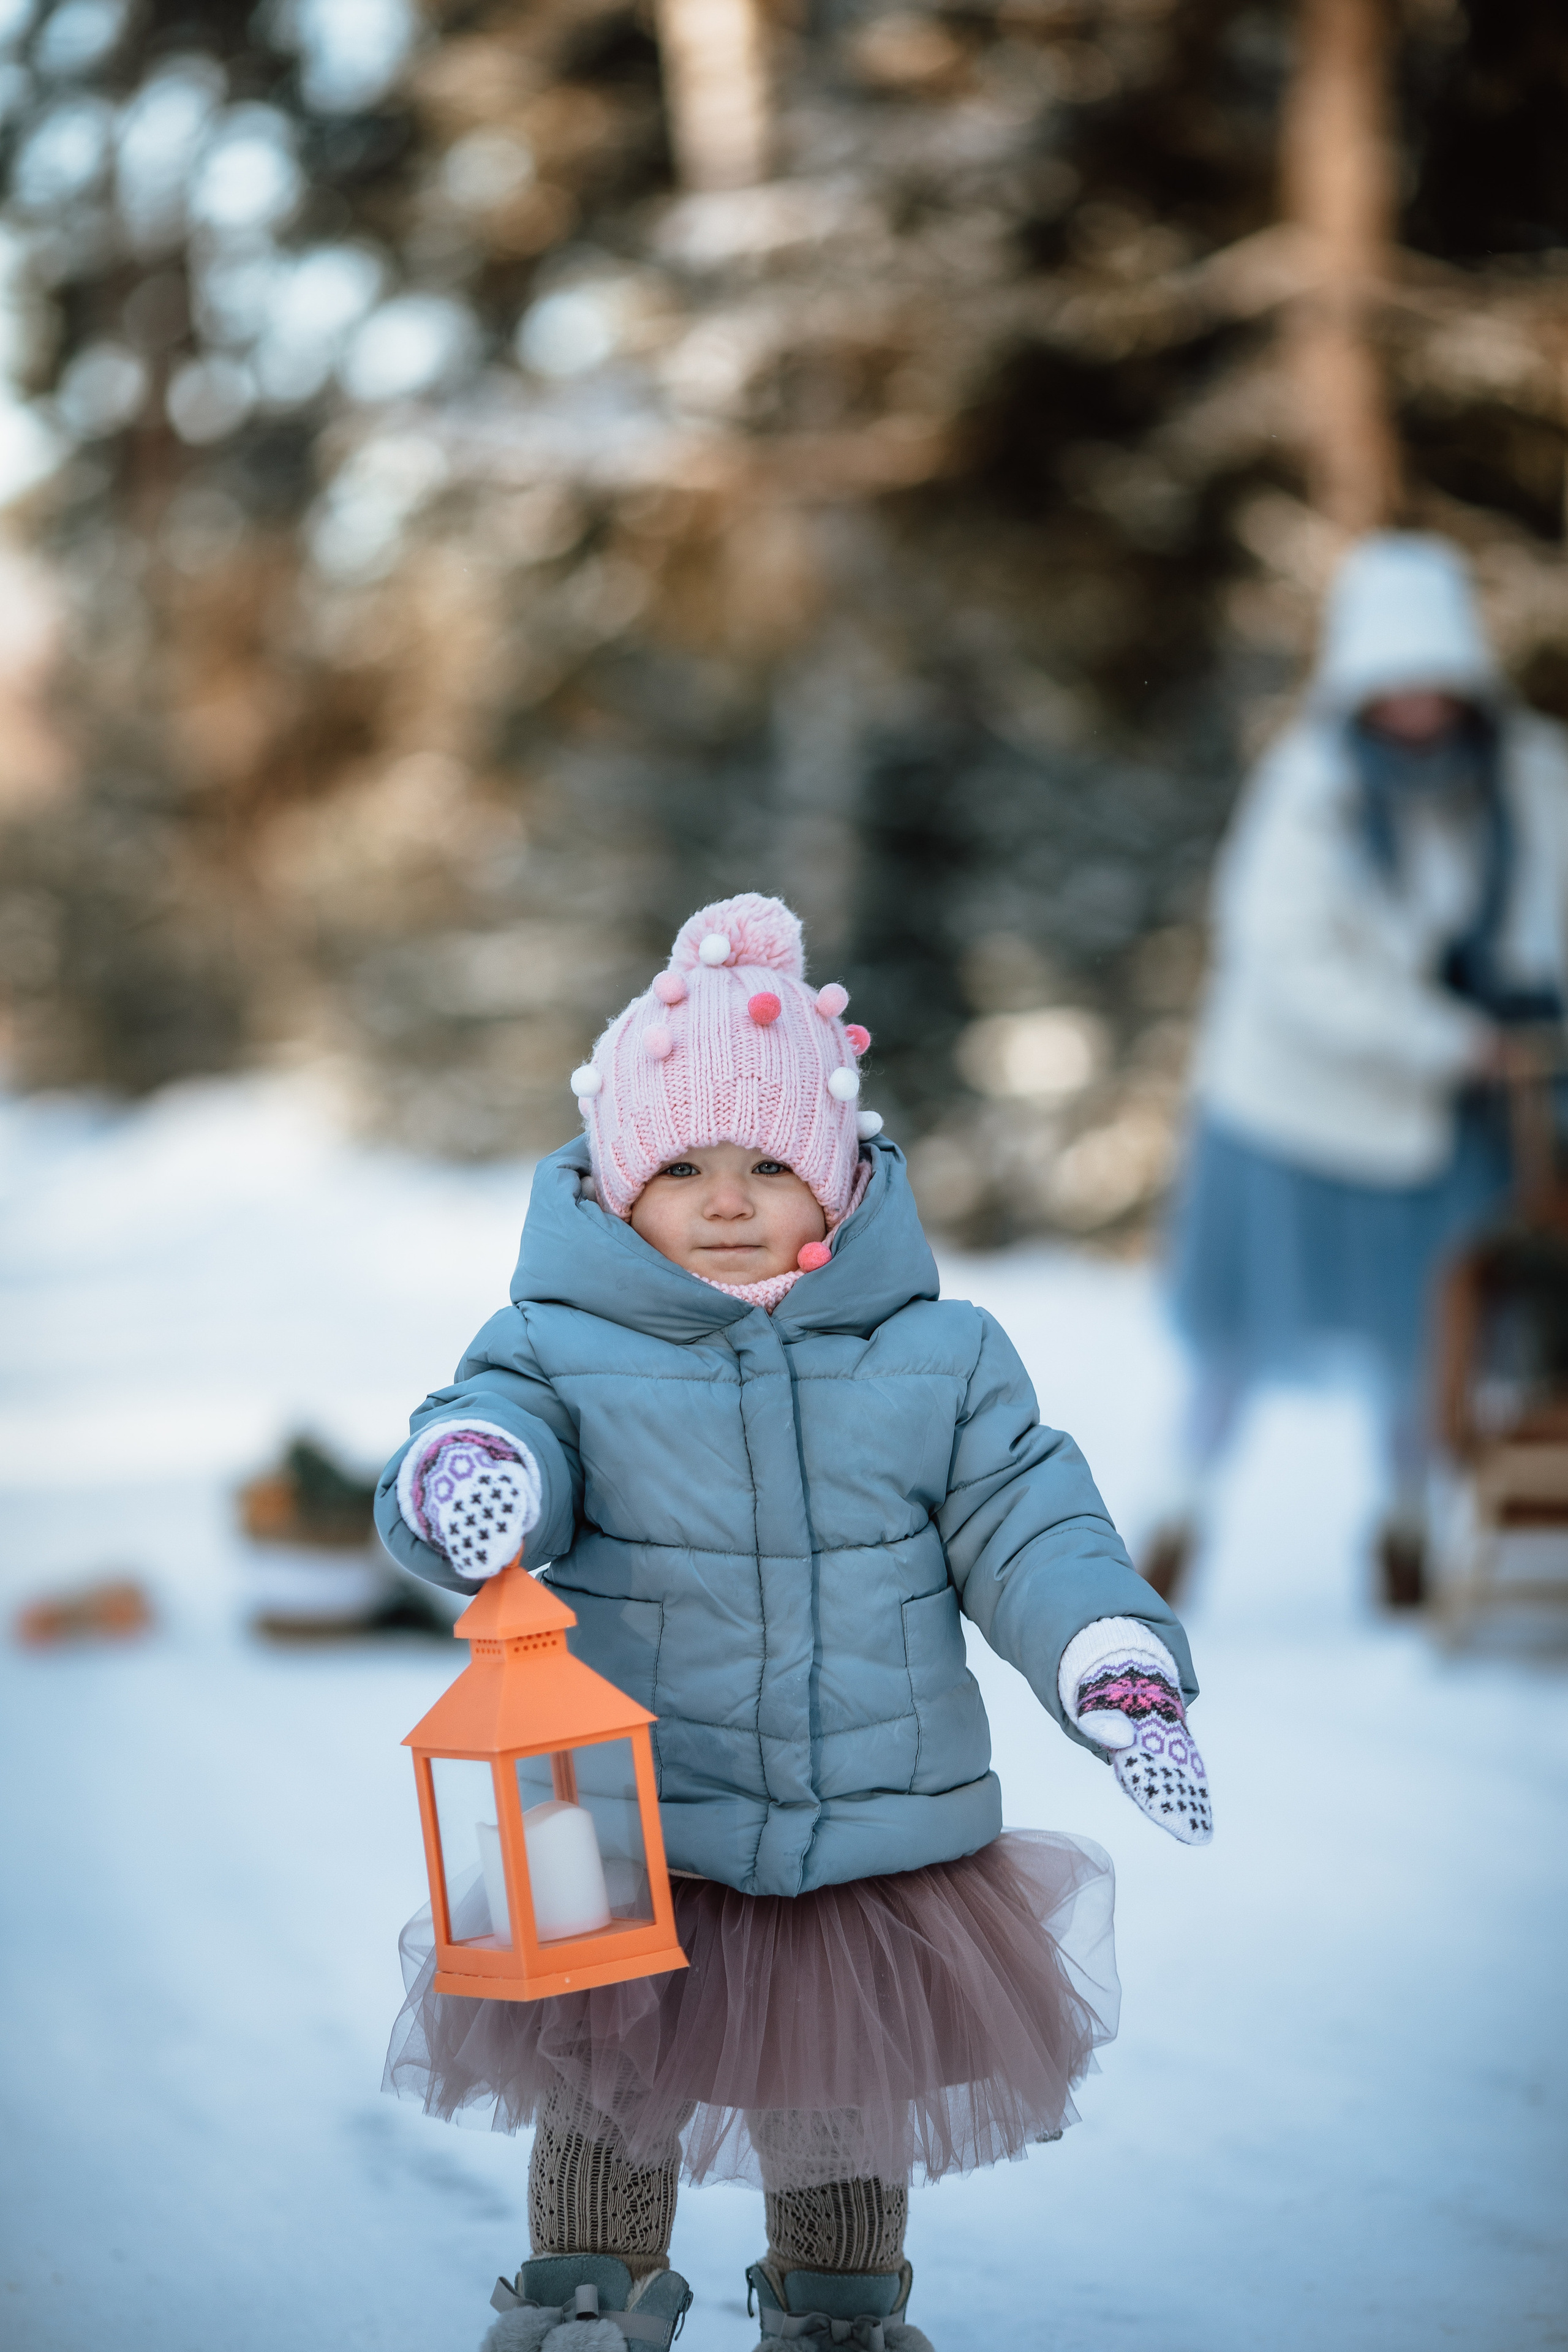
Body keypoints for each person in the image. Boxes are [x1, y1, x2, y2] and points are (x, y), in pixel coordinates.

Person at [375, 892, 1211, 2352]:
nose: (725, 1200)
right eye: (680, 1166)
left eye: (768, 1162)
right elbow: (502, 1431)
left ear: (835, 1179)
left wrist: (1108, 1657)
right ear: (614, 1184)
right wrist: (472, 1476)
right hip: (630, 1829)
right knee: (604, 2092)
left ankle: (837, 2318)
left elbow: (1027, 1522)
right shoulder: (557, 1349)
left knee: (839, 2103)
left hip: (863, 1840)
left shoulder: (939, 1358)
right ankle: (586, 2302)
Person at [1151, 533, 1568, 1608]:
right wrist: (1446, 1035)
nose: (1418, 705)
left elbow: (1547, 912)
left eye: (1435, 679)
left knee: (1427, 1341)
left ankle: (1406, 1532)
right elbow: (1288, 957)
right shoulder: (1308, 784)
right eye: (1395, 682)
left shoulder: (1529, 776)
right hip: (1293, 1111)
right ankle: (1176, 1518)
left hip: (1452, 1122)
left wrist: (1524, 1005)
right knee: (1233, 1340)